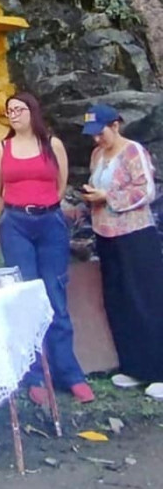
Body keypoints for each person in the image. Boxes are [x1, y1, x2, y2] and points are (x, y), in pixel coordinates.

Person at [0, 92, 94, 405]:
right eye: (9, 111)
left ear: (33, 111)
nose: (14, 114)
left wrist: (43, 205)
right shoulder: (1, 148)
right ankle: (34, 376)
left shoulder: (52, 145)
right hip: (16, 224)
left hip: (50, 223)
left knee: (56, 294)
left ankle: (70, 374)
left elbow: (59, 186)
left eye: (19, 109)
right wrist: (15, 211)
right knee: (26, 297)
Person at [81, 103, 163, 400]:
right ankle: (133, 365)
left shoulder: (133, 152)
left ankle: (158, 369)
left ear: (115, 125)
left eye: (100, 132)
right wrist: (91, 196)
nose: (96, 139)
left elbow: (146, 191)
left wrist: (108, 197)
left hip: (135, 235)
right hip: (106, 235)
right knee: (119, 300)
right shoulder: (97, 155)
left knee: (146, 301)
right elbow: (97, 184)